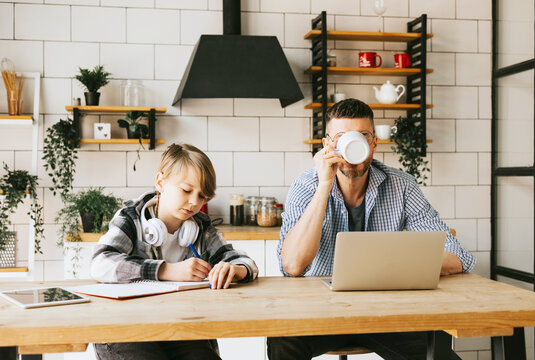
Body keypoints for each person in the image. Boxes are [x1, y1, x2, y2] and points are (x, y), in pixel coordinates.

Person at [267, 99, 476, 360]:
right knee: (281, 335)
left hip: (385, 313)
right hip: (319, 312)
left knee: (438, 350)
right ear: (328, 145)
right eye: (342, 138)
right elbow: (293, 265)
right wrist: (324, 185)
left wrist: (394, 266)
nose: (353, 145)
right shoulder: (307, 186)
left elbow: (458, 257)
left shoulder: (401, 186)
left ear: (373, 144)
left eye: (362, 136)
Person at [91, 143, 259, 360]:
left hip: (179, 329)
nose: (194, 202)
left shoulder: (200, 227)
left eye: (202, 196)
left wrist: (237, 269)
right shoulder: (130, 219)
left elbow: (245, 262)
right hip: (124, 328)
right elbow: (100, 262)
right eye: (187, 190)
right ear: (160, 182)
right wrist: (166, 271)